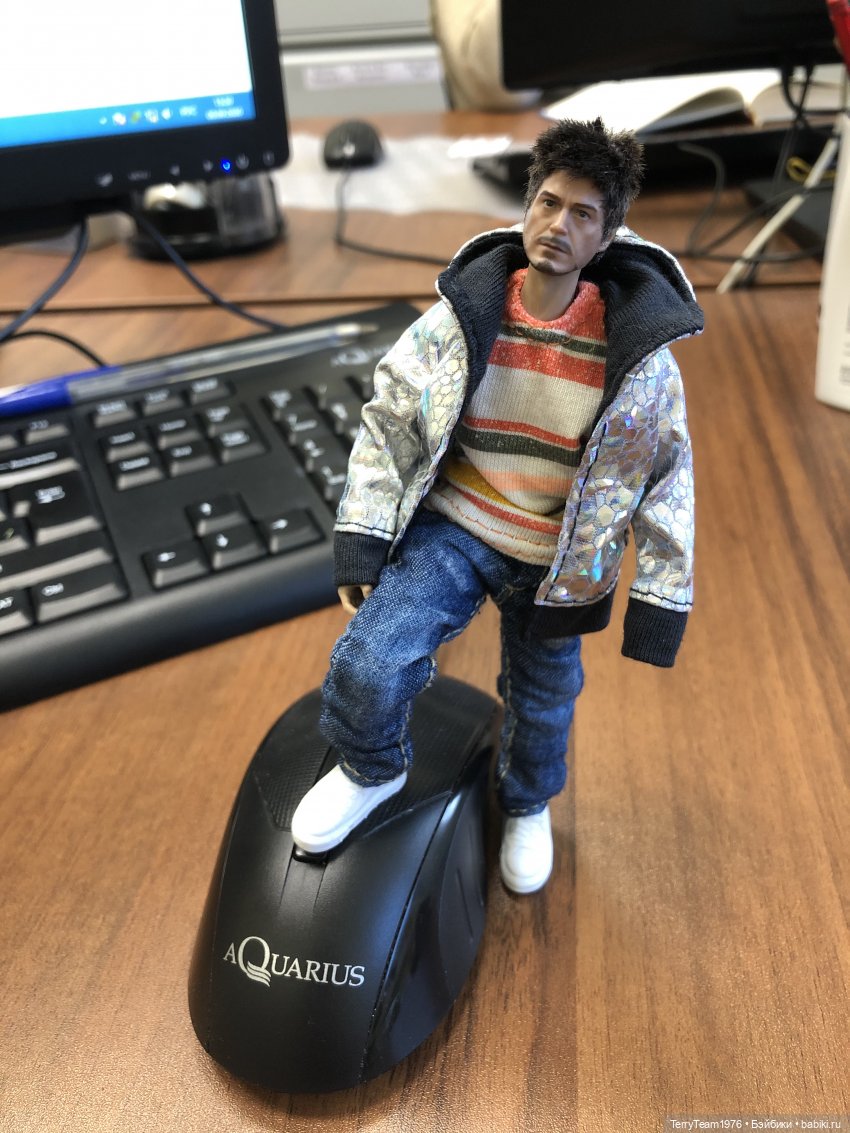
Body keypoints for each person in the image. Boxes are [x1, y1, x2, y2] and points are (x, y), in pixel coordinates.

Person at [292, 118, 704, 894]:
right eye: (549, 202)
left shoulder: (638, 354)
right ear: (527, 203)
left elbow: (667, 474)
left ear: (607, 235)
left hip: (558, 561)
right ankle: (371, 768)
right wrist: (364, 533)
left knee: (544, 704)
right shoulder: (465, 314)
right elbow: (390, 417)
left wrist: (659, 600)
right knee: (370, 660)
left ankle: (526, 803)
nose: (559, 224)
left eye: (583, 213)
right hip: (458, 526)